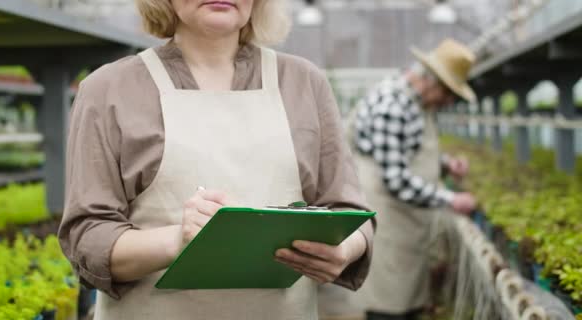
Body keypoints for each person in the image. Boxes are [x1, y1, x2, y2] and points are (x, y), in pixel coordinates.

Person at [58, 0, 375, 319]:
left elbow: (352, 213)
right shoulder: (109, 89)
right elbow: (87, 236)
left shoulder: (305, 83)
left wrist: (344, 250)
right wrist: (178, 241)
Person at [350, 39, 478, 320]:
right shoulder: (392, 105)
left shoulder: (416, 103)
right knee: (387, 305)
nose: (448, 102)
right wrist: (451, 199)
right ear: (433, 83)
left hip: (406, 222)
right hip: (387, 222)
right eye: (449, 95)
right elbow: (395, 179)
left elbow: (407, 150)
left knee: (406, 302)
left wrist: (445, 165)